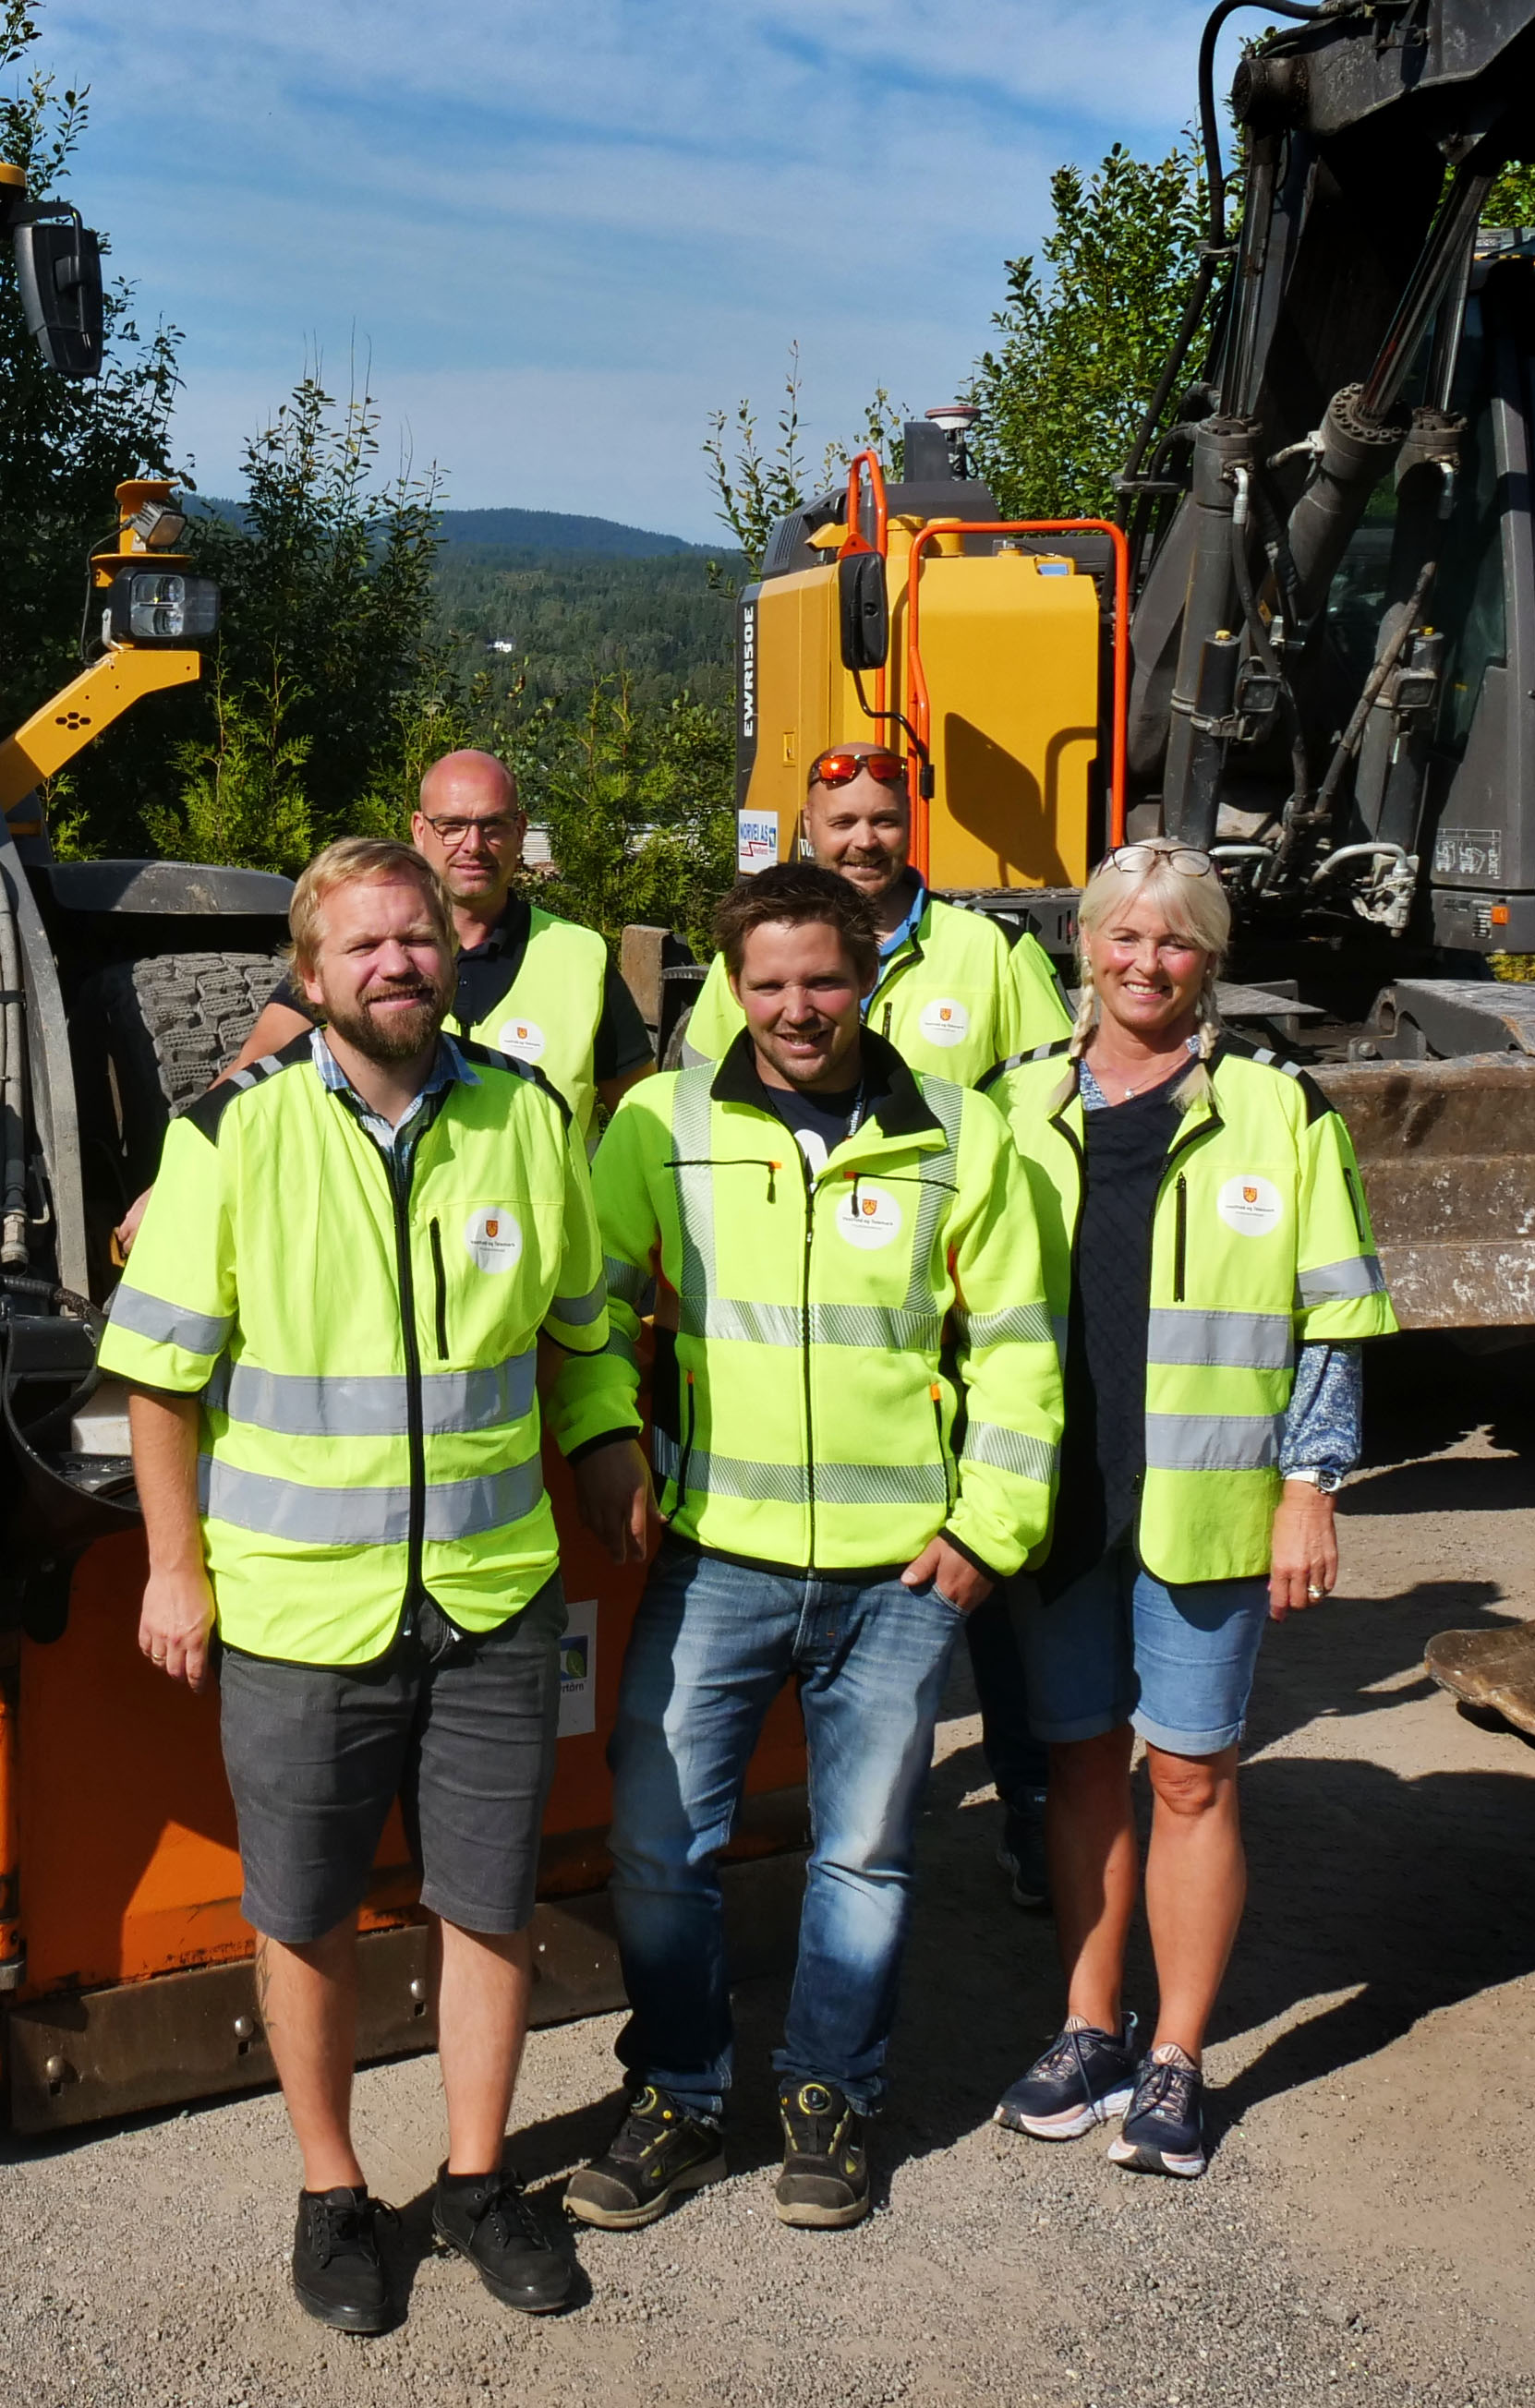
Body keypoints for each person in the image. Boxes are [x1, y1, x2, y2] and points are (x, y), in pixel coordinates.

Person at [98, 836, 627, 2337]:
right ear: (311, 975)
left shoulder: (526, 1118)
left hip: (490, 1600)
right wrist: (173, 1568)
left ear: (449, 956)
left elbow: (579, 1324)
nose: (396, 961)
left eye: (417, 938)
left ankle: (476, 2179)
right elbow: (158, 1377)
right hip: (298, 1613)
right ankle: (331, 2190)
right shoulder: (232, 1135)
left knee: (488, 1903)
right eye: (363, 945)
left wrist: (606, 1439)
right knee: (305, 1915)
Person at [556, 861, 1061, 2237]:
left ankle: (830, 2095)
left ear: (867, 979)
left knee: (865, 1855)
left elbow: (1018, 1349)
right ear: (733, 988)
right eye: (768, 983)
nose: (796, 1008)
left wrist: (990, 1529)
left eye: (823, 980)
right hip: (718, 1556)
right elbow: (589, 1306)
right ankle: (677, 2094)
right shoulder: (660, 1124)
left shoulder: (961, 1133)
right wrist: (601, 1434)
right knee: (657, 1840)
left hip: (901, 1575)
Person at [983, 843, 1389, 2181]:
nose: (1144, 962)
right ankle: (1087, 2028)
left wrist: (1311, 1486)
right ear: (1084, 947)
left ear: (1209, 959)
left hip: (1207, 1501)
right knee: (1079, 1765)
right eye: (1123, 936)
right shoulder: (1011, 1104)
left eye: (1174, 940)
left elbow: (1333, 1318)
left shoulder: (1280, 1109)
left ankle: (1175, 2058)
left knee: (1192, 1776)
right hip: (1057, 1498)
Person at [675, 739, 1077, 1907]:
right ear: (807, 826)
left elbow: (1043, 1112)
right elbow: (705, 1111)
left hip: (959, 1294)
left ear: (914, 826)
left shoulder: (991, 955)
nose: (864, 838)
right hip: (835, 1315)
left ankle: (1028, 1802)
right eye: (841, 819)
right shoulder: (760, 950)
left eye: (883, 819)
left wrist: (995, 1261)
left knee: (991, 1578)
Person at [209, 750, 654, 1121]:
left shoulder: (580, 957)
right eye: (452, 826)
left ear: (520, 831)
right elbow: (251, 1074)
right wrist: (184, 1164)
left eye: (493, 825)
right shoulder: (360, 955)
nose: (473, 845)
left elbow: (641, 1121)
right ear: (420, 831)